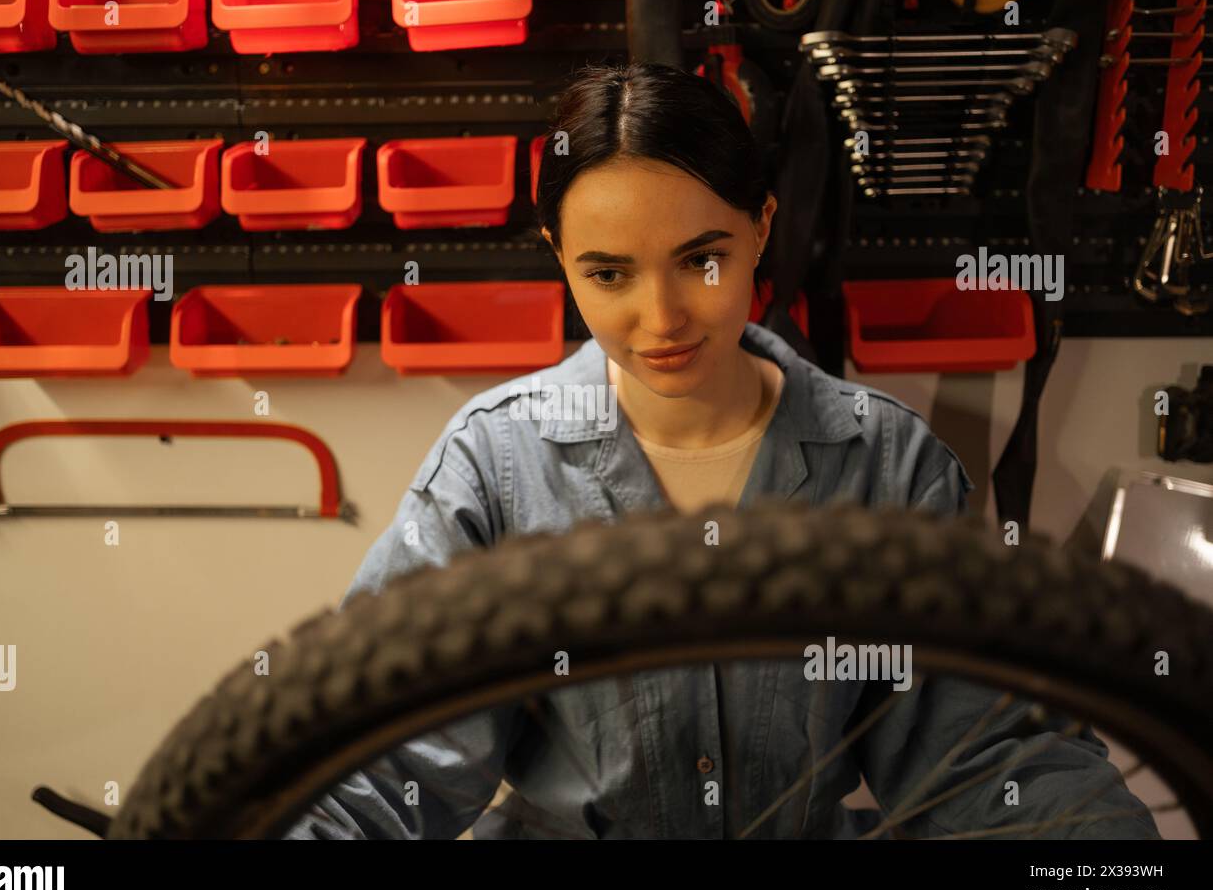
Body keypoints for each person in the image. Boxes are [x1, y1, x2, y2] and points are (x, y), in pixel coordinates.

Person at [286, 62, 1158, 839]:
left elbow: (986, 755)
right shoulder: (494, 467)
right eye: (609, 273)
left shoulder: (887, 466)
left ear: (761, 228)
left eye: (701, 260)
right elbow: (381, 767)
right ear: (560, 259)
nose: (661, 319)